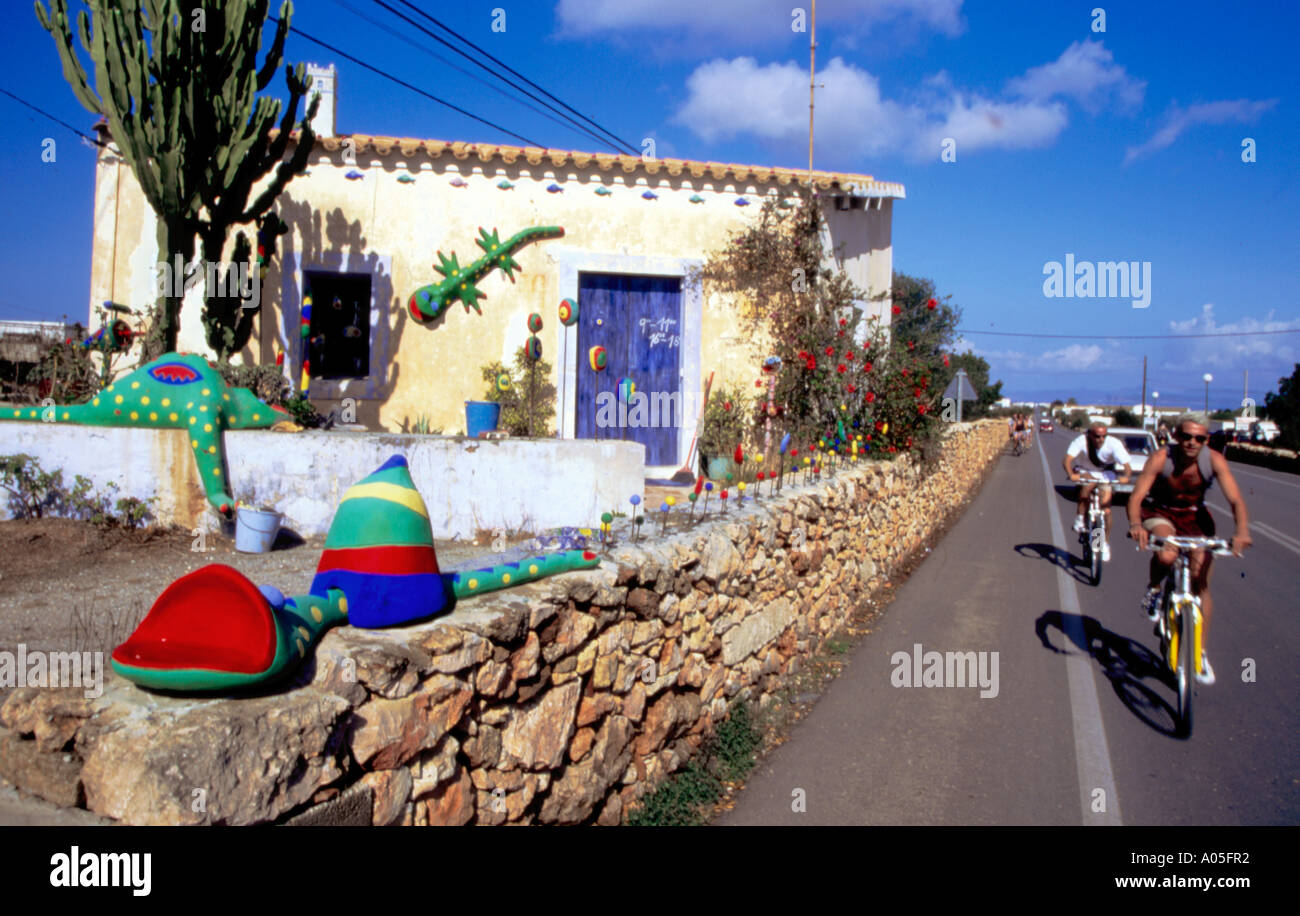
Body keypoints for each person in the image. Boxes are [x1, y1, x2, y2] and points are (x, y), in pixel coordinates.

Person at [1126, 413, 1251, 685]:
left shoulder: (1214, 460)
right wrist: (1136, 524)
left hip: (1194, 517)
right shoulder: (1161, 458)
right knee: (1168, 552)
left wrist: (1241, 531)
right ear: (1175, 436)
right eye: (1186, 436)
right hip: (1160, 511)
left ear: (1206, 440)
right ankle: (1155, 590)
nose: (1192, 443)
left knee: (1200, 580)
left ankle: (1200, 652)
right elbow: (1136, 496)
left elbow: (1236, 500)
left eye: (1199, 438)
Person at [1062, 421, 1133, 561]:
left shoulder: (1114, 443)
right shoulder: (1081, 441)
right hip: (1085, 471)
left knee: (1106, 509)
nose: (1101, 439)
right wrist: (1071, 475)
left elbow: (1126, 466)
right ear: (1090, 434)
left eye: (1103, 436)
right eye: (1097, 436)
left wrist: (1126, 476)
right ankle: (1080, 519)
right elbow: (1067, 460)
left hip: (1105, 474)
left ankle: (1102, 543)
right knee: (1087, 487)